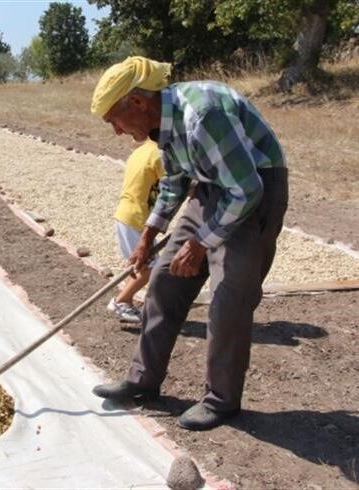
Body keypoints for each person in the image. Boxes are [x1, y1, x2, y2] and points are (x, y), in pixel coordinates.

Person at [89, 57, 288, 431]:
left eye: (114, 120)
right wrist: (148, 235)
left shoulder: (203, 115)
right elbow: (175, 180)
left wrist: (201, 243)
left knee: (229, 297)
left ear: (137, 103)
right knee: (164, 278)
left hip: (255, 187)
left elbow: (246, 191)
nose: (116, 131)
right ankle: (143, 380)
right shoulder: (162, 124)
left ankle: (221, 400)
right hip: (214, 186)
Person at [108, 139, 163, 323]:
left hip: (127, 213)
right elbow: (174, 185)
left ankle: (126, 300)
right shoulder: (160, 154)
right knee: (150, 267)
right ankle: (120, 300)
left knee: (137, 265)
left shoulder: (142, 150)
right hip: (137, 218)